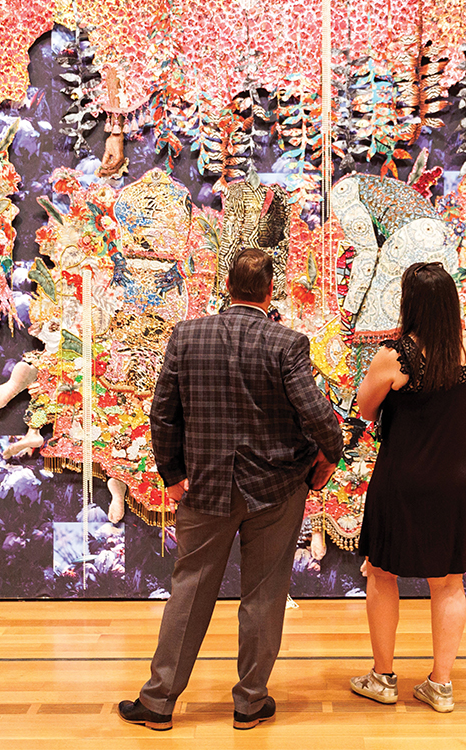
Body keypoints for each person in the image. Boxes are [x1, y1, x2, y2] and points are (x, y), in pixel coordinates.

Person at [118, 248, 343, 731]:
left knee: (190, 589)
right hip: (276, 489)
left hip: (204, 486)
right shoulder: (288, 343)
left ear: (227, 287)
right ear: (269, 292)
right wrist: (328, 457)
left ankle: (158, 703)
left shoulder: (187, 335)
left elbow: (163, 413)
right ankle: (249, 702)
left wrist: (172, 474)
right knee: (264, 594)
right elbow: (321, 418)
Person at [349, 261, 466, 714]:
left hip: (406, 477)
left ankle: (382, 676)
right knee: (450, 582)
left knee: (382, 572)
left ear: (409, 302)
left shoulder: (395, 356)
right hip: (462, 478)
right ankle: (441, 684)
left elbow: (365, 408)